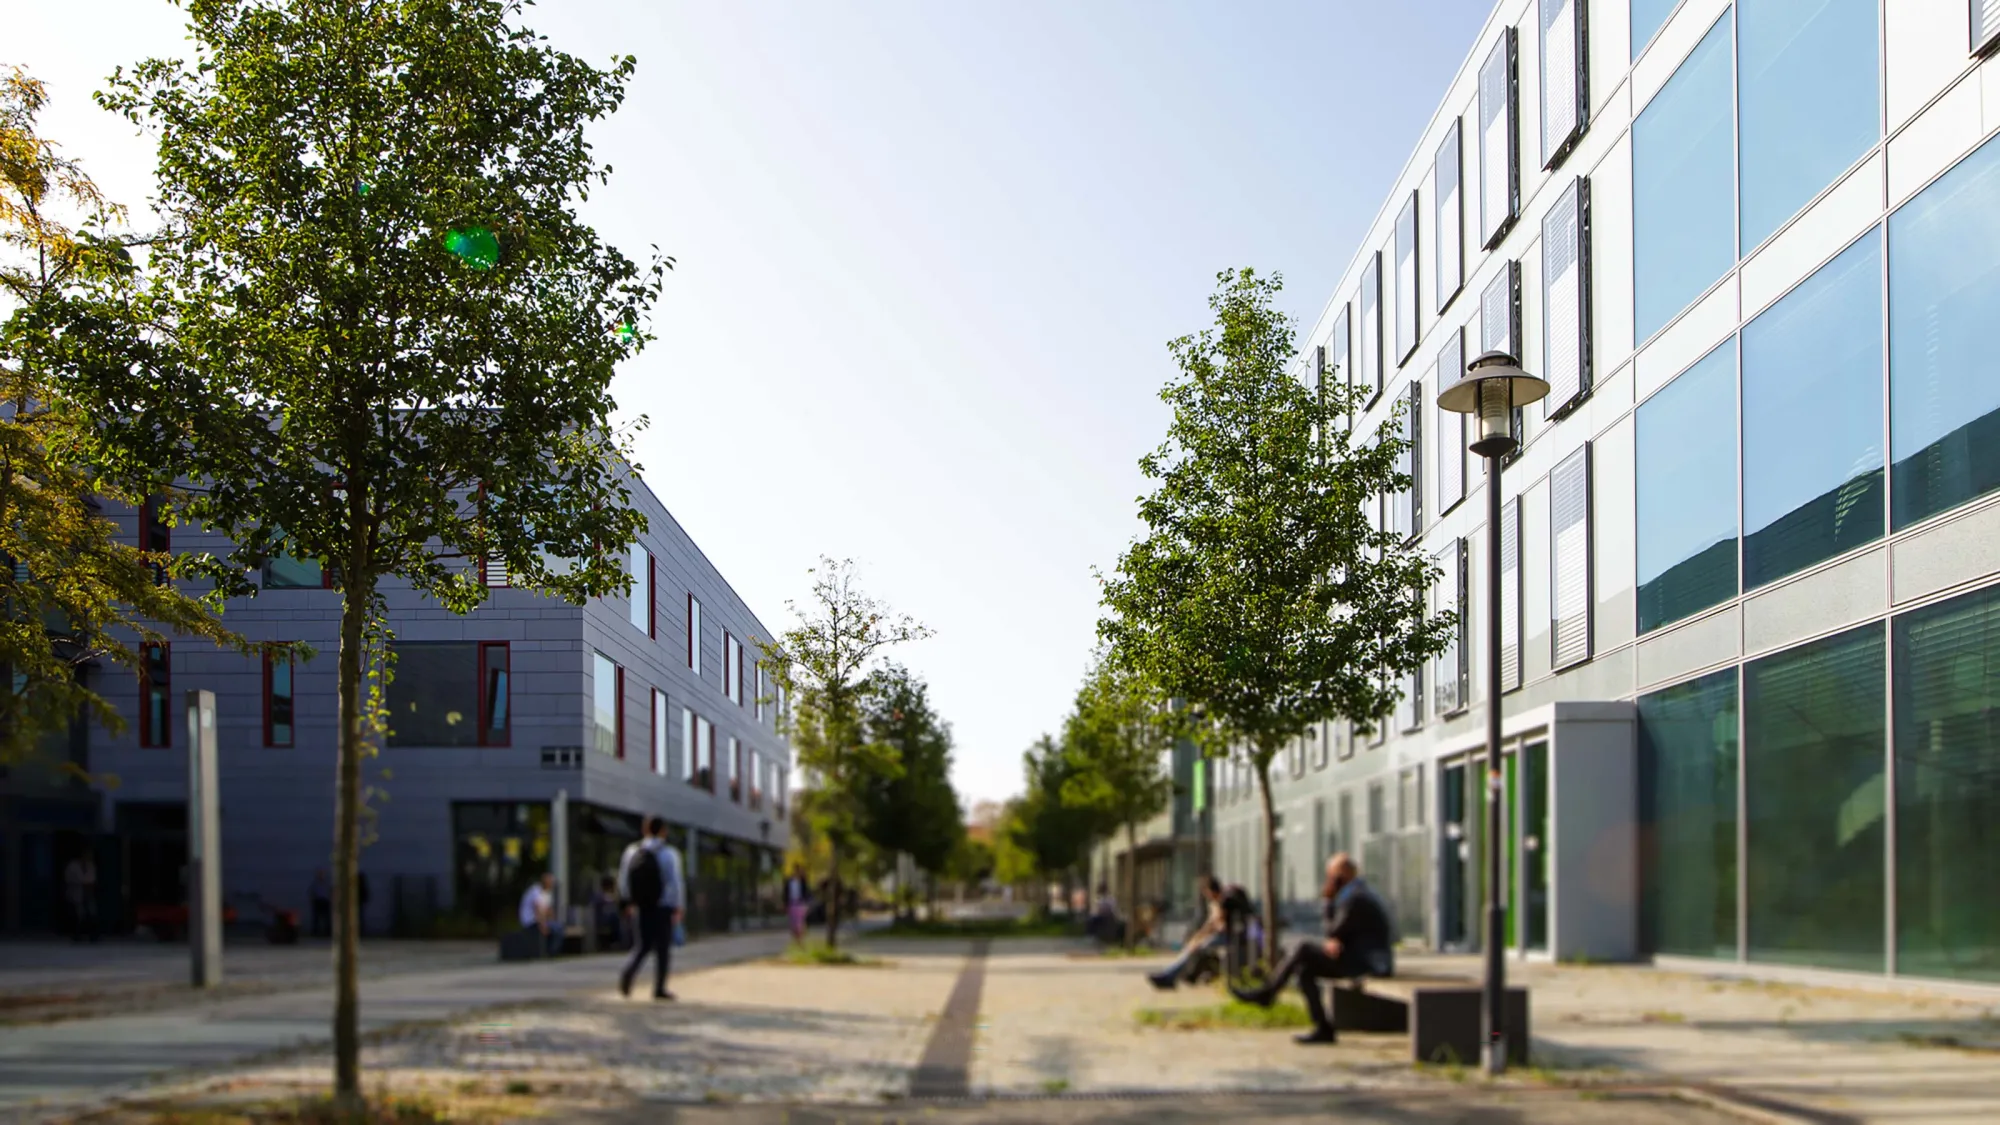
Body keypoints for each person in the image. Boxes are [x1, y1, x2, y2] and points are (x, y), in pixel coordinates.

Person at [1230, 852, 1393, 1045]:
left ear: (1341, 876)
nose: (1328, 880)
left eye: (1331, 876)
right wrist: (1334, 938)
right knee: (1305, 969)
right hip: (1361, 957)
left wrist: (1328, 900)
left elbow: (1334, 929)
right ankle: (1323, 1028)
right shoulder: (1357, 893)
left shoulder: (1355, 898)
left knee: (1303, 948)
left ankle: (1268, 993)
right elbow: (1338, 933)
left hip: (1369, 963)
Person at [617, 815, 685, 1000]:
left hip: (641, 905)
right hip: (662, 906)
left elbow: (623, 879)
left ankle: (628, 973)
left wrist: (627, 901)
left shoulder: (632, 851)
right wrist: (678, 906)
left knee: (642, 945)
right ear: (663, 831)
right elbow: (675, 883)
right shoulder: (669, 853)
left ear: (645, 830)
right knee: (663, 948)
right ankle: (659, 988)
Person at [1147, 875, 1229, 990]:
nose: (1205, 895)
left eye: (1205, 892)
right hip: (1221, 937)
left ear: (1209, 890)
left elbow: (1216, 925)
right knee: (1191, 948)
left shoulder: (1222, 901)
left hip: (1226, 937)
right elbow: (1209, 925)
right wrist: (1196, 938)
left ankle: (1171, 976)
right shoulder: (1215, 903)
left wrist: (1198, 940)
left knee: (1195, 949)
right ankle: (1169, 974)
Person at [518, 872, 559, 957]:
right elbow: (538, 911)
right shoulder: (536, 891)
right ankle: (551, 952)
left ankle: (551, 951)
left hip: (539, 919)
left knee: (558, 927)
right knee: (556, 929)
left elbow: (548, 911)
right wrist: (543, 925)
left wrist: (549, 917)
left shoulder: (547, 893)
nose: (552, 885)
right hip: (530, 921)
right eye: (551, 882)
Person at [64, 851, 99, 943]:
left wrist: (86, 882)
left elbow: (92, 879)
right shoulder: (72, 866)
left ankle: (93, 936)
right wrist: (83, 882)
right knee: (79, 915)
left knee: (92, 914)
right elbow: (69, 878)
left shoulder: (90, 865)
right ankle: (77, 936)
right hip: (77, 893)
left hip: (88, 894)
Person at [592, 876, 624, 950]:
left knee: (617, 917)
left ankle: (617, 941)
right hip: (601, 920)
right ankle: (616, 941)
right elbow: (610, 901)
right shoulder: (600, 896)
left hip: (606, 919)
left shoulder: (605, 896)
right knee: (615, 917)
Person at [782, 864, 811, 943]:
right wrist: (785, 904)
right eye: (796, 871)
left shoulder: (803, 881)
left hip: (800, 903)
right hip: (792, 903)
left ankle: (800, 939)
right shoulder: (789, 881)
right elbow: (785, 893)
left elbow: (807, 893)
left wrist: (807, 904)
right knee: (793, 922)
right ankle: (795, 938)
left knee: (801, 922)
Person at [308, 869, 332, 939]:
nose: (321, 876)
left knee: (326, 917)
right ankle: (315, 932)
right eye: (320, 874)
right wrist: (312, 899)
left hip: (325, 901)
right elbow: (311, 892)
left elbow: (330, 891)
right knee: (316, 917)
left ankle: (327, 932)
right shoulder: (315, 883)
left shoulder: (327, 883)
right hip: (318, 901)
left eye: (322, 874)